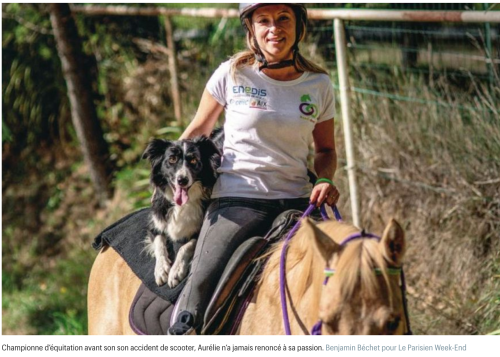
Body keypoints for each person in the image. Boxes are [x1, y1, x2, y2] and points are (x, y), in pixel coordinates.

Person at [168, 3, 340, 335]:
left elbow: (327, 150)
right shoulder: (231, 73)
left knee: (345, 273)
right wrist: (173, 179)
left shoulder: (318, 83)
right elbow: (197, 131)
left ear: (298, 26)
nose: (274, 28)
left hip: (298, 202)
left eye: (283, 19)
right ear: (251, 29)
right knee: (198, 293)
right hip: (237, 201)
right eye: (264, 20)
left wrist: (324, 178)